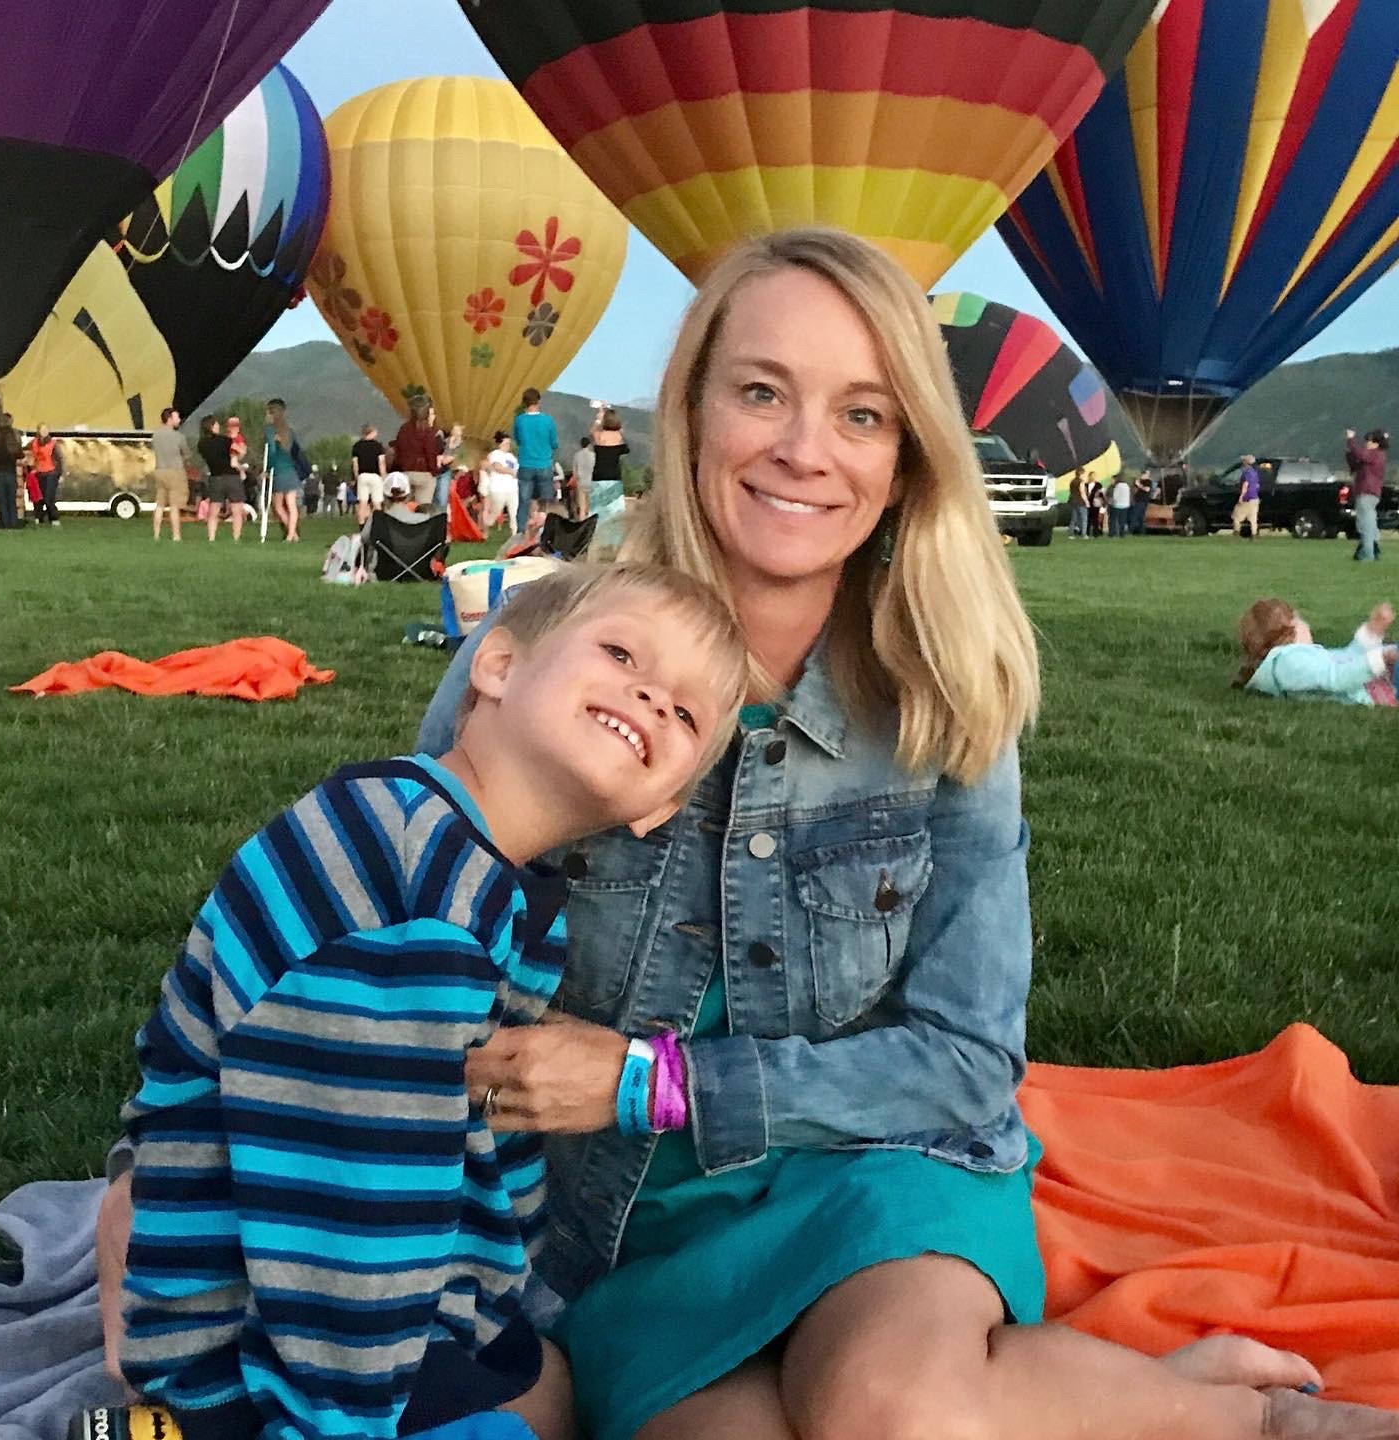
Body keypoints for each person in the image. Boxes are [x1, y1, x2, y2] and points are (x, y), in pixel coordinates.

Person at [98, 228, 1392, 1440]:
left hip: (877, 1170)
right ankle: (1134, 1398)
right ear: (694, 410)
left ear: (904, 462)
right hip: (618, 1219)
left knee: (890, 1412)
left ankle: (1243, 1419)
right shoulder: (555, 664)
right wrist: (150, 1171)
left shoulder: (947, 703)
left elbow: (965, 1065)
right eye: (762, 393)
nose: (804, 451)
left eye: (862, 414)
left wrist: (643, 1078)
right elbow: (368, 933)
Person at [82, 564, 746, 1440]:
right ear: (497, 666)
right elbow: (347, 1205)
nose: (654, 699)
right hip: (259, 1343)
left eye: (688, 713)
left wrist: (487, 1312)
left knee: (555, 1391)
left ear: (661, 808)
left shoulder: (488, 879)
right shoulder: (401, 886)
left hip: (391, 1308)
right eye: (623, 654)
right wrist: (346, 1421)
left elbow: (465, 1131)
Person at [1236, 598, 1399, 705]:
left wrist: (1371, 632)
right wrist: (1381, 657)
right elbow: (1337, 677)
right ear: (1291, 629)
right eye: (1299, 620)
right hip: (1384, 686)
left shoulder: (1297, 660)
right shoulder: (1289, 662)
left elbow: (1346, 660)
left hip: (1384, 681)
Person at [512, 388, 560, 535]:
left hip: (526, 464)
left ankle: (520, 533)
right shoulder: (547, 420)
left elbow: (518, 440)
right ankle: (545, 531)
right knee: (546, 502)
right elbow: (554, 443)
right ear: (539, 401)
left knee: (524, 501)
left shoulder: (519, 420)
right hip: (544, 464)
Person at [197, 414, 245, 542]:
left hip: (215, 477)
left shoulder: (202, 444)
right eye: (217, 424)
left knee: (213, 510)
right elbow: (239, 452)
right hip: (231, 477)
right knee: (236, 510)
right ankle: (236, 538)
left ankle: (211, 537)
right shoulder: (225, 440)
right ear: (212, 426)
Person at [263, 397, 304, 543]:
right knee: (291, 504)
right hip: (291, 470)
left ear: (271, 413)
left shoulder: (270, 430)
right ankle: (292, 534)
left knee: (278, 505)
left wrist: (267, 469)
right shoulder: (289, 431)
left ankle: (290, 532)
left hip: (279, 471)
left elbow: (272, 452)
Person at [1346, 427, 1389, 562]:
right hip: (1372, 493)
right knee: (1370, 524)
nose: (1367, 444)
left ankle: (1367, 554)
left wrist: (1351, 440)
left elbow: (1360, 454)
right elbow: (1355, 463)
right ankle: (1373, 550)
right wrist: (1350, 452)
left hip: (1366, 492)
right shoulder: (1377, 456)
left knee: (1365, 525)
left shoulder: (1375, 454)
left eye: (1369, 441)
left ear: (1376, 443)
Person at [393, 393, 441, 510]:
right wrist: (434, 471)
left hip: (406, 472)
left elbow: (398, 451)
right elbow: (431, 454)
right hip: (424, 473)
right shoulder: (428, 431)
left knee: (403, 508)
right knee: (423, 509)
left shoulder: (403, 429)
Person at [150, 408, 191, 543]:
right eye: (176, 417)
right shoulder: (178, 436)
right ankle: (176, 535)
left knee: (160, 504)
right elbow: (187, 454)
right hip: (175, 471)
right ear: (169, 419)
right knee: (174, 505)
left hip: (159, 470)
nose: (179, 420)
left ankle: (156, 535)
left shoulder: (156, 435)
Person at [0, 414, 23, 530]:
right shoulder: (16, 435)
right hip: (11, 472)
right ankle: (14, 523)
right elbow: (20, 453)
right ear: (11, 421)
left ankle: (4, 523)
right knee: (11, 499)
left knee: (2, 500)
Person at [483, 431, 521, 535]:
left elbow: (517, 469)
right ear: (499, 444)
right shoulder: (495, 454)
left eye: (509, 443)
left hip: (512, 488)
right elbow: (497, 467)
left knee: (514, 512)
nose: (508, 446)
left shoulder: (511, 457)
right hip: (498, 488)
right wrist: (511, 472)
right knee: (496, 511)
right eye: (505, 443)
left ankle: (514, 534)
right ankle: (486, 524)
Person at [589, 408, 629, 503]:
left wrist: (598, 419)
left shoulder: (599, 436)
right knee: (613, 509)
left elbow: (591, 432)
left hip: (598, 475)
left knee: (599, 508)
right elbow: (626, 447)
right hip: (614, 475)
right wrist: (619, 428)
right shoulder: (619, 437)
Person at [26, 423, 63, 527]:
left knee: (48, 497)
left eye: (46, 429)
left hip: (51, 473)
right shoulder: (33, 443)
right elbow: (25, 451)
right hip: (38, 473)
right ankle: (39, 517)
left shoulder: (53, 443)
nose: (44, 431)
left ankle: (54, 518)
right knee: (38, 497)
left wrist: (60, 474)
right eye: (42, 429)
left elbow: (59, 459)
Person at [351, 422, 388, 523]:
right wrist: (384, 477)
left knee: (362, 503)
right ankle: (379, 524)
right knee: (377, 503)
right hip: (375, 476)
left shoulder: (357, 446)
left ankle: (361, 525)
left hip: (362, 475)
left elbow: (355, 464)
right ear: (372, 432)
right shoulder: (378, 446)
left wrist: (356, 477)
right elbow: (381, 463)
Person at [1233, 454, 1262, 540]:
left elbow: (1245, 484)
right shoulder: (1255, 473)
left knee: (1236, 517)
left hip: (1247, 499)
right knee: (1253, 519)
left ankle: (1236, 533)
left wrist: (1241, 496)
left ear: (1246, 463)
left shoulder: (1246, 473)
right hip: (1255, 498)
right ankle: (1254, 535)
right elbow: (1257, 485)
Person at [573, 435, 596, 520]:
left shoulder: (576, 455)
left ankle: (582, 522)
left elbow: (574, 472)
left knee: (582, 507)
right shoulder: (593, 455)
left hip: (581, 482)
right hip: (591, 481)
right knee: (590, 505)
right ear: (589, 444)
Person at [1106, 471, 1131, 538]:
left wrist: (1111, 502)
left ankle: (1112, 534)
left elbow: (1115, 496)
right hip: (1125, 505)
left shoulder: (1118, 486)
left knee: (1113, 520)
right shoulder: (1127, 486)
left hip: (1117, 505)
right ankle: (1122, 534)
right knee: (1122, 521)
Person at [1084, 467, 1106, 537]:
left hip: (1095, 504)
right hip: (1088, 503)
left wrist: (1102, 502)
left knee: (1095, 519)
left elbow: (1101, 494)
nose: (1093, 477)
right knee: (1088, 519)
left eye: (1094, 476)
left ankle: (1095, 533)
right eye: (1092, 476)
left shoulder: (1098, 485)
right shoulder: (1086, 484)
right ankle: (1087, 532)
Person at [1131, 469, 1152, 535]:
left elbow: (1147, 489)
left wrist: (1139, 485)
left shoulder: (1148, 481)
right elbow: (1134, 491)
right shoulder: (1140, 481)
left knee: (1135, 516)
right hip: (1137, 501)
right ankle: (1141, 531)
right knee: (1141, 517)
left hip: (1142, 501)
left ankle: (1130, 531)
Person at [1067, 471, 1087, 538]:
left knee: (1074, 519)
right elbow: (1082, 493)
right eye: (1084, 474)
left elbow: (1071, 491)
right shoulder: (1081, 482)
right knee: (1084, 519)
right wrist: (1087, 502)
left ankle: (1071, 534)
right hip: (1080, 502)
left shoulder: (1072, 481)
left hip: (1073, 501)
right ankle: (1083, 534)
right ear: (1081, 474)